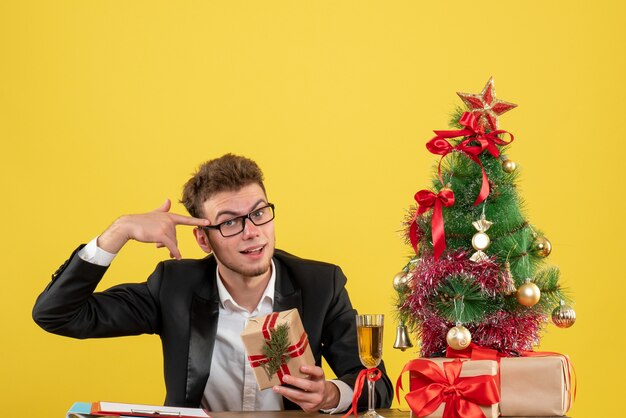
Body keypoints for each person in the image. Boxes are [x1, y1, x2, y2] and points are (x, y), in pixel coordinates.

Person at [33, 154, 393, 413]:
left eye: (259, 212)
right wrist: (119, 231)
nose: (252, 232)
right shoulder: (173, 287)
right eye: (229, 222)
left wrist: (331, 394)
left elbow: (376, 383)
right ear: (204, 240)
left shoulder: (319, 285)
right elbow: (58, 314)